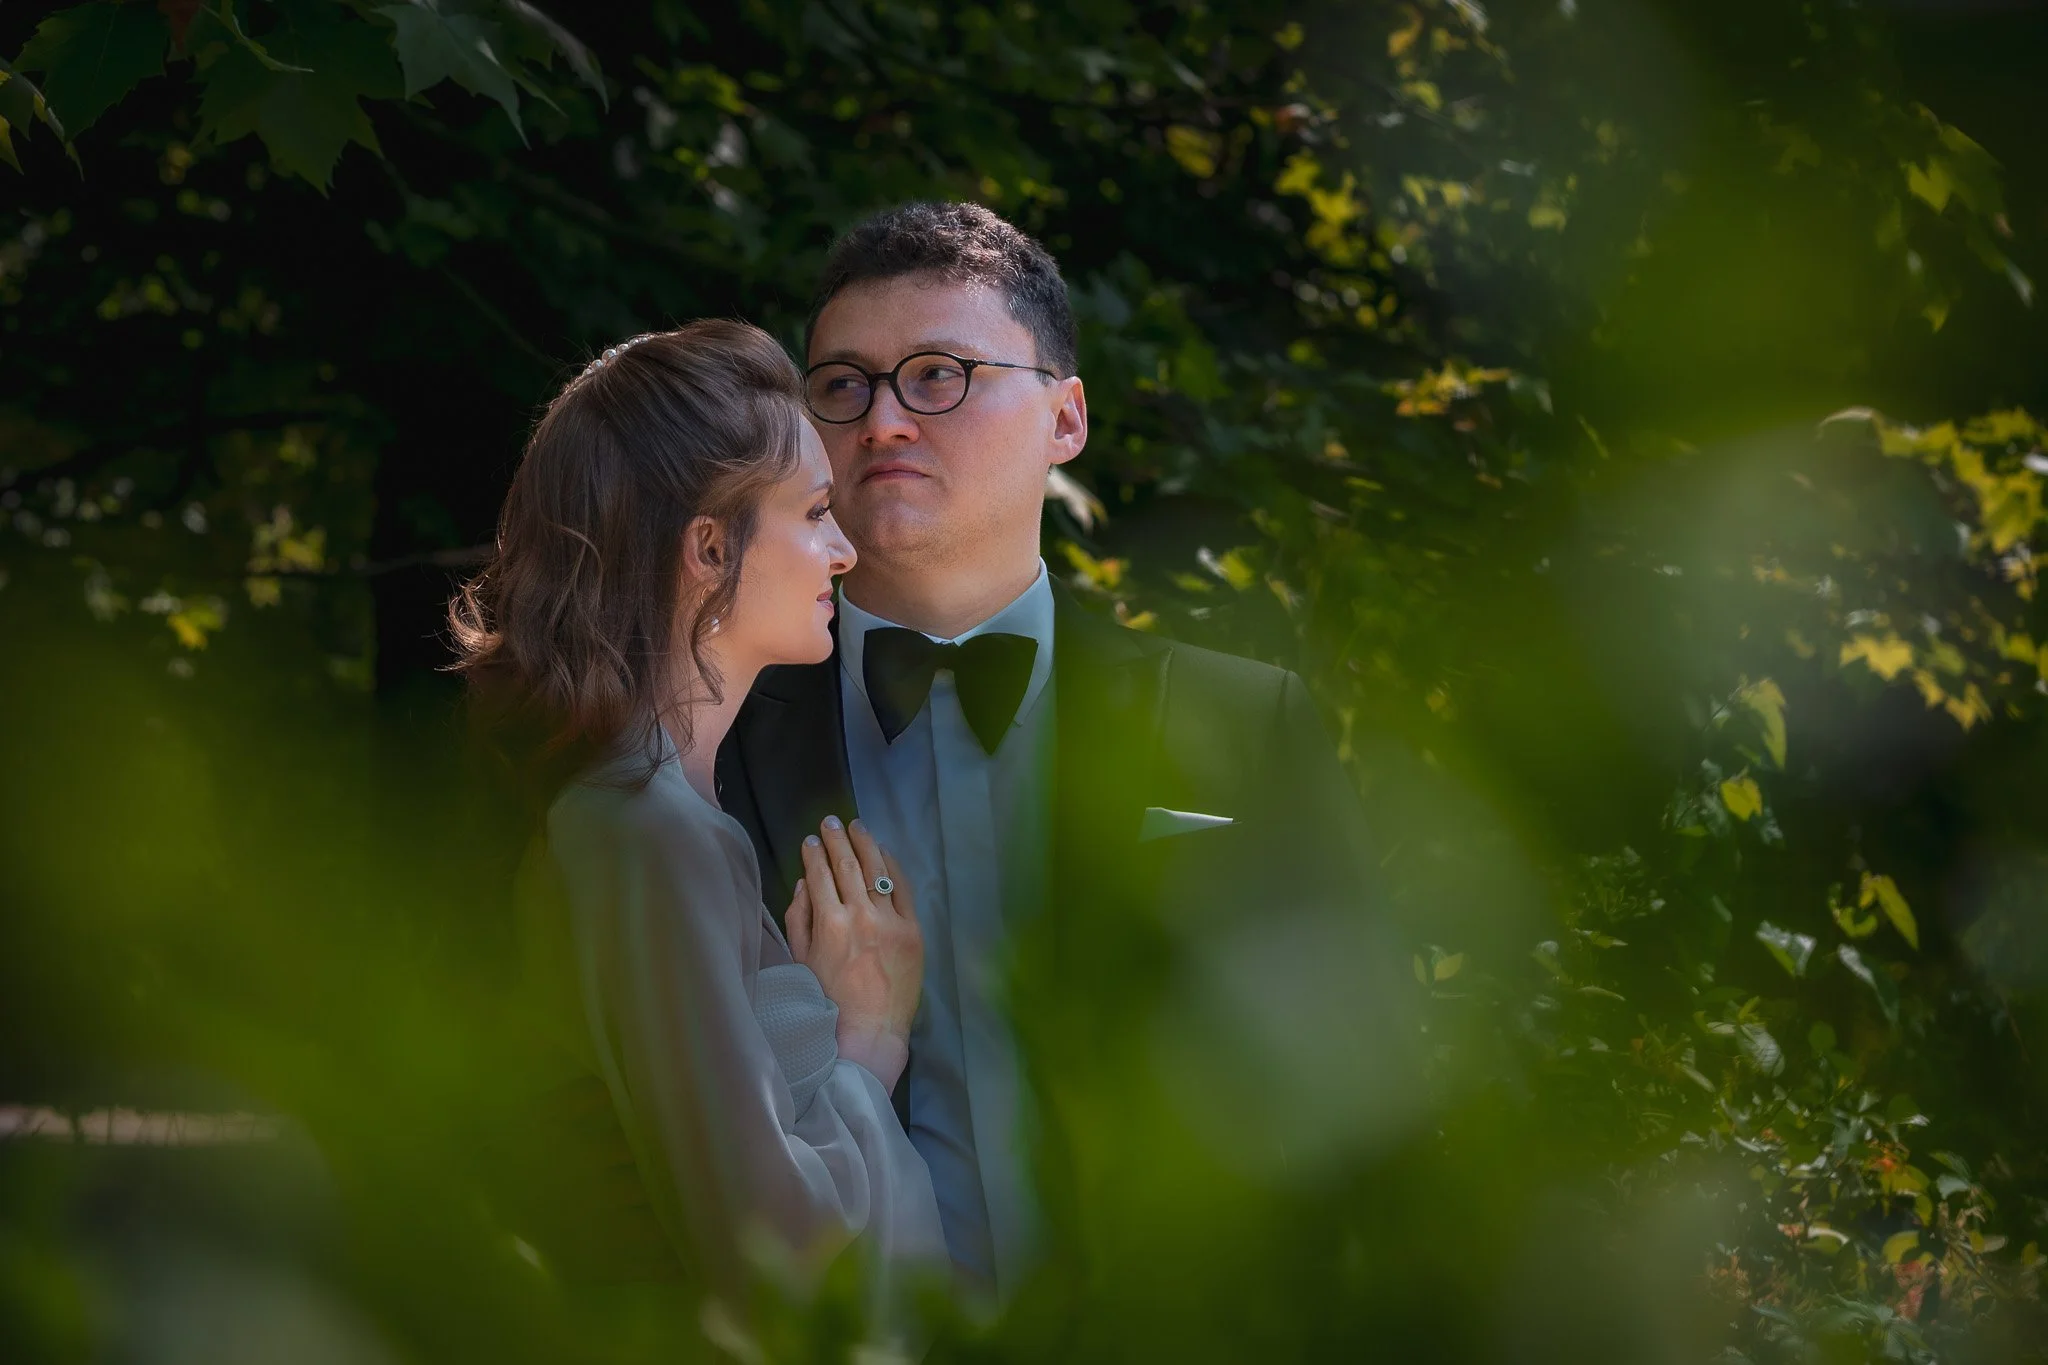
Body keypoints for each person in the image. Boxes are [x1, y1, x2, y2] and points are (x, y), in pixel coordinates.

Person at [714, 202, 1374, 1301]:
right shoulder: (717, 737)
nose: (882, 421)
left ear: (1064, 418)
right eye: (842, 386)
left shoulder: (1243, 725)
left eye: (939, 375)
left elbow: (1360, 1090)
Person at [447, 321, 946, 1307]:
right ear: (710, 550)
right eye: (811, 513)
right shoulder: (642, 834)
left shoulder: (659, 822)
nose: (842, 551)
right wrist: (866, 1046)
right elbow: (774, 1264)